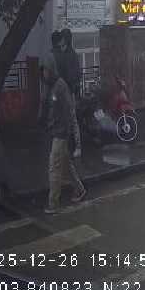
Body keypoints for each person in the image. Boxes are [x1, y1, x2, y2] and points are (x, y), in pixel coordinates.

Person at [40, 53, 86, 214]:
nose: (44, 73)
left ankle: (53, 203)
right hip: (55, 132)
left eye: (46, 70)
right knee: (65, 164)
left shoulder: (60, 86)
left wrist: (65, 133)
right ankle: (80, 189)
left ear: (51, 70)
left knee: (54, 167)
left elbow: (68, 112)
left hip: (60, 134)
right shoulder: (50, 86)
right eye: (43, 70)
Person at [53, 29, 82, 158]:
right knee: (63, 119)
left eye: (63, 38)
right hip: (61, 91)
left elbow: (75, 74)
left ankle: (78, 147)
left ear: (66, 39)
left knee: (72, 119)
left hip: (69, 91)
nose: (61, 40)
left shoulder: (71, 54)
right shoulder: (61, 53)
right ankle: (66, 147)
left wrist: (72, 88)